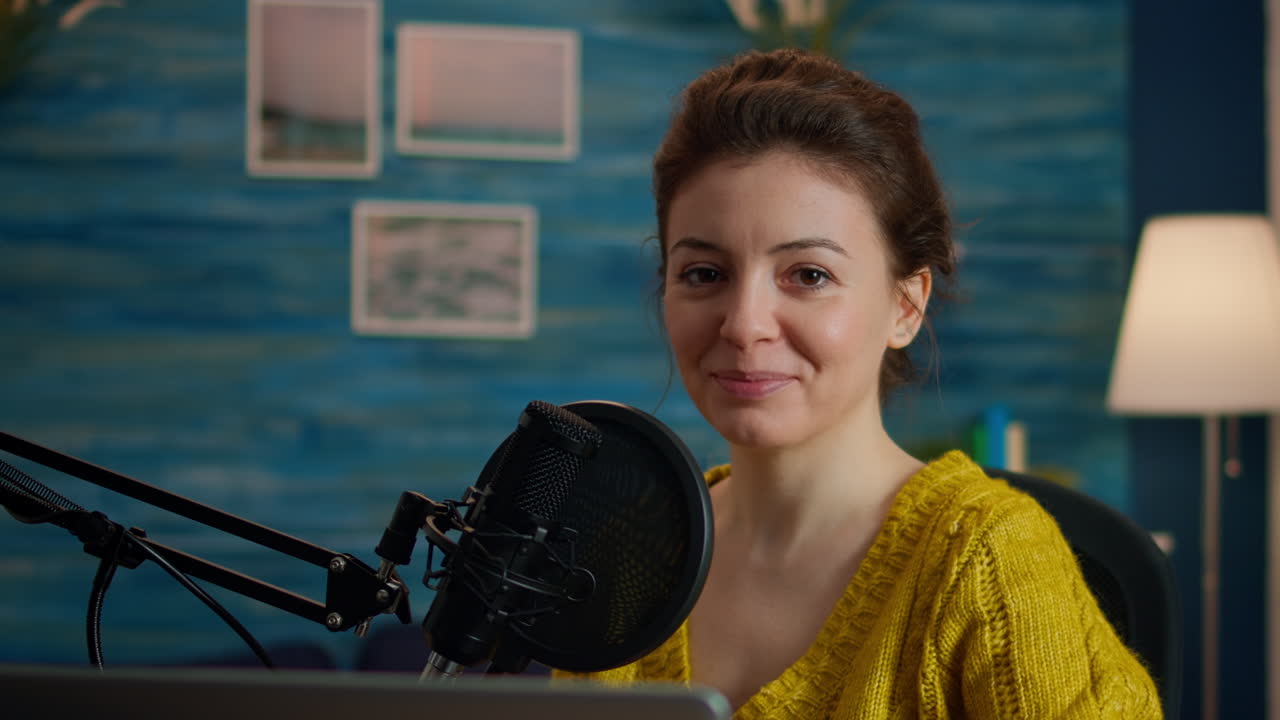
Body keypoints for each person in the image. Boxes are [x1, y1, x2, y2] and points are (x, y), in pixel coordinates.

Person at [554, 48, 1161, 719]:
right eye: (704, 273)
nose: (745, 323)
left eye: (808, 275)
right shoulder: (622, 558)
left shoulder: (988, 563)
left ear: (906, 305)